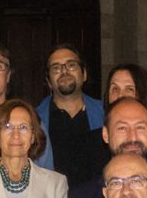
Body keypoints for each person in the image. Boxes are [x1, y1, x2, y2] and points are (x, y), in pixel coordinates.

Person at [34, 43, 107, 185]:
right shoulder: (34, 120)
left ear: (84, 74)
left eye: (71, 65)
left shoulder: (105, 113)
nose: (64, 71)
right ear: (48, 81)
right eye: (56, 68)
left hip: (97, 196)